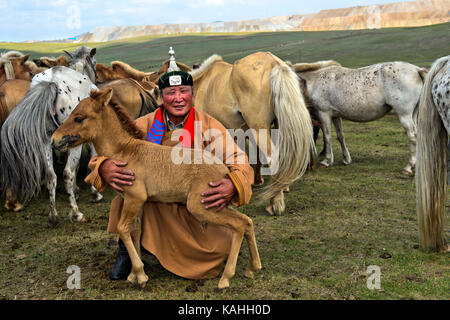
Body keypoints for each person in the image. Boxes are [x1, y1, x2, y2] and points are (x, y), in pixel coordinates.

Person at [85, 69, 254, 281]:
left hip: (195, 206)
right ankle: (129, 252)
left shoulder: (210, 126)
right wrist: (104, 166)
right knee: (129, 193)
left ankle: (179, 252)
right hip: (152, 206)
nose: (177, 98)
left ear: (193, 95)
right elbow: (109, 149)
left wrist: (233, 182)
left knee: (221, 247)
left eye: (183, 91)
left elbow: (238, 159)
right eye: (170, 93)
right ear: (160, 96)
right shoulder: (144, 124)